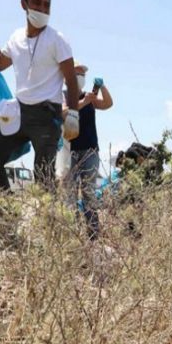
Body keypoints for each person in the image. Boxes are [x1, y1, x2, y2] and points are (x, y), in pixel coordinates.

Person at [0, 0, 80, 193]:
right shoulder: (16, 38)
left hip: (46, 116)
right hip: (18, 112)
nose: (42, 9)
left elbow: (71, 80)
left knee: (43, 177)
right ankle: (6, 212)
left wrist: (73, 115)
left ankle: (48, 225)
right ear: (23, 4)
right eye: (36, 3)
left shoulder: (57, 39)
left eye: (47, 5)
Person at [64, 61, 113, 239]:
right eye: (77, 74)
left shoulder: (89, 97)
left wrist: (102, 86)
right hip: (70, 151)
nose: (80, 77)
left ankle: (93, 234)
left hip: (90, 151)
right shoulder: (63, 96)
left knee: (89, 192)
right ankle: (72, 232)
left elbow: (107, 104)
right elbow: (63, 112)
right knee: (69, 192)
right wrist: (82, 103)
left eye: (82, 74)